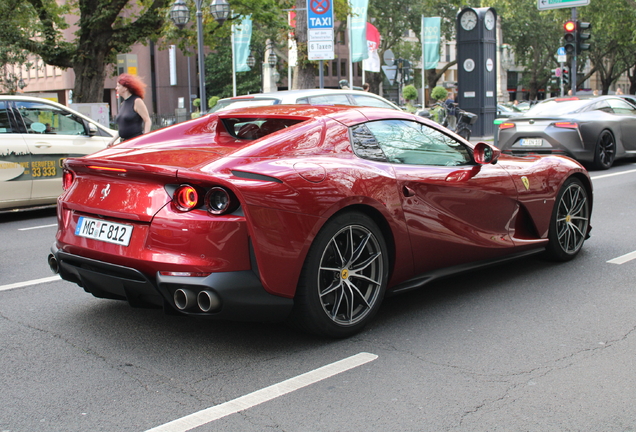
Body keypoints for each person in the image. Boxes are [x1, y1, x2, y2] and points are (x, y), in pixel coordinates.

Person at [109, 74, 151, 146]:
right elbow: (123, 127)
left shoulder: (137, 101)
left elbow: (147, 120)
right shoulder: (123, 103)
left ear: (125, 88)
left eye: (118, 86)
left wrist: (145, 138)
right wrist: (112, 141)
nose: (116, 88)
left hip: (134, 142)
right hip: (123, 143)